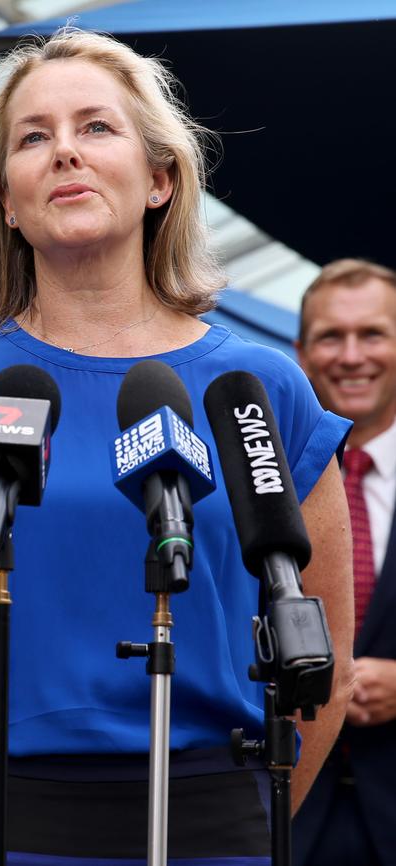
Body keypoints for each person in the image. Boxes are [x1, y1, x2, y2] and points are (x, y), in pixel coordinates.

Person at [0, 29, 355, 866]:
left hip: (205, 837)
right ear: (6, 200)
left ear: (160, 179)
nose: (63, 155)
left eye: (96, 128)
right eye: (33, 137)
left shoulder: (261, 392)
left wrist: (239, 825)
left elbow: (319, 667)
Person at [293, 259, 396, 866]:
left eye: (373, 334)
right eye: (332, 336)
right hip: (296, 817)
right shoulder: (262, 482)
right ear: (302, 352)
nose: (351, 355)